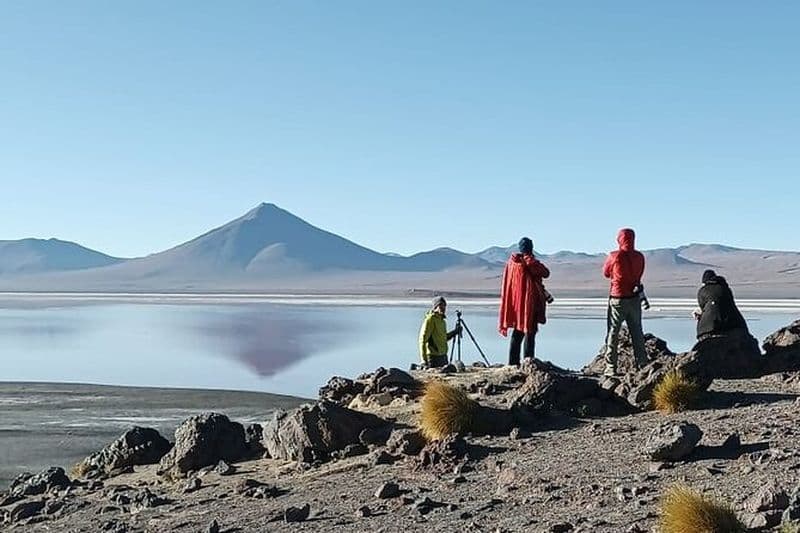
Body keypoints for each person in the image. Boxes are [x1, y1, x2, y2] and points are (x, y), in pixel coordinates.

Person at [498, 237, 551, 366]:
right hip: (528, 304)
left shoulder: (511, 264)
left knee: (518, 331)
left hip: (515, 304)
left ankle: (513, 363)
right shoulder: (530, 262)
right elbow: (545, 272)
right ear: (531, 248)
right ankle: (528, 362)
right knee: (529, 332)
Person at [602, 228, 647, 376]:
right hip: (634, 298)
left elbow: (606, 272)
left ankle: (611, 367)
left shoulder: (614, 256)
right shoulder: (640, 257)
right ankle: (642, 364)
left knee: (613, 332)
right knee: (637, 332)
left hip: (618, 299)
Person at [693, 269, 748, 341]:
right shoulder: (725, 289)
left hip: (707, 328)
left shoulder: (702, 290)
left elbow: (702, 306)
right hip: (733, 324)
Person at [418, 296, 461, 368]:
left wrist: (455, 332)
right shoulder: (430, 319)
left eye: (444, 305)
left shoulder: (442, 321)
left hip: (443, 356)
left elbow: (444, 338)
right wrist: (423, 361)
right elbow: (422, 340)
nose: (443, 308)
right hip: (432, 357)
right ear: (435, 307)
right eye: (440, 305)